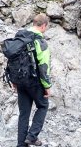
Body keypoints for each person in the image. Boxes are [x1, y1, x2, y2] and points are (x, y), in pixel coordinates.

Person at [12, 13, 53, 146]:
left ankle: (21, 144)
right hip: (34, 82)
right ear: (43, 25)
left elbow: (13, 59)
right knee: (43, 105)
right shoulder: (41, 42)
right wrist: (47, 86)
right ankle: (32, 136)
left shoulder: (20, 37)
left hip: (19, 80)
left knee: (24, 113)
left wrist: (14, 80)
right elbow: (43, 66)